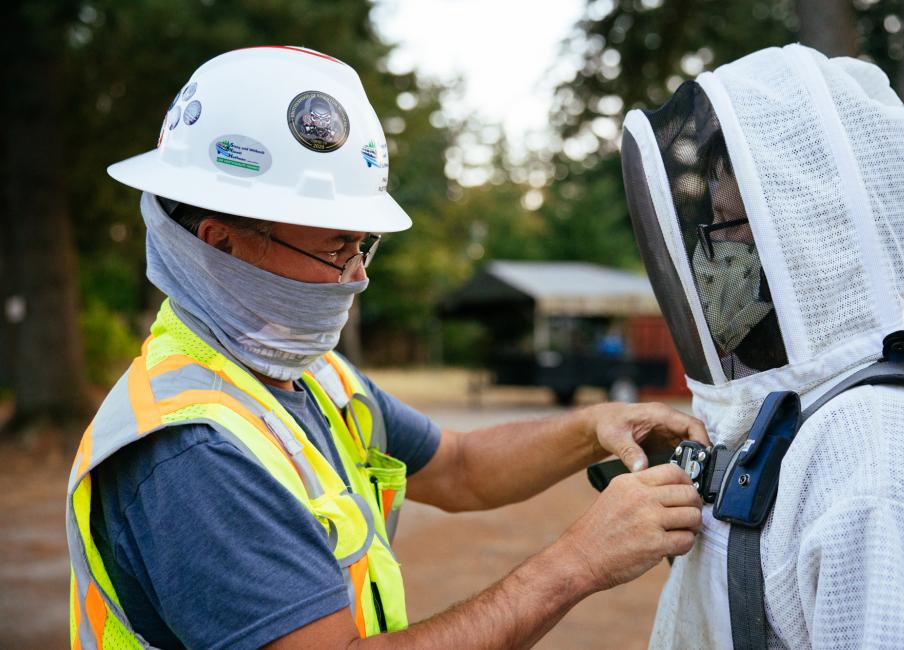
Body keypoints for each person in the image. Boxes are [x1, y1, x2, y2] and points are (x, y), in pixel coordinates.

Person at [66, 45, 707, 649]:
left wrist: (595, 428)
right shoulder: (193, 452)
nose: (356, 274)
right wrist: (579, 562)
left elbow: (457, 466)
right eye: (333, 247)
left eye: (363, 246)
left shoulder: (304, 373)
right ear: (222, 243)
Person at [620, 43, 904, 649]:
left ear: (816, 239)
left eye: (735, 228)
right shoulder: (803, 409)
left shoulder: (881, 454)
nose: (714, 255)